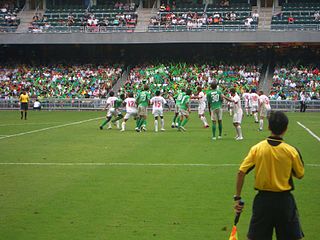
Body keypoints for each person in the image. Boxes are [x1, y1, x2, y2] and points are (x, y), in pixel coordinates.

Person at [233, 111, 304, 240]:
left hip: (263, 201)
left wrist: (237, 198)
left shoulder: (257, 148)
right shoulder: (291, 151)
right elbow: (300, 174)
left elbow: (241, 172)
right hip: (284, 202)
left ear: (269, 127)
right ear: (286, 129)